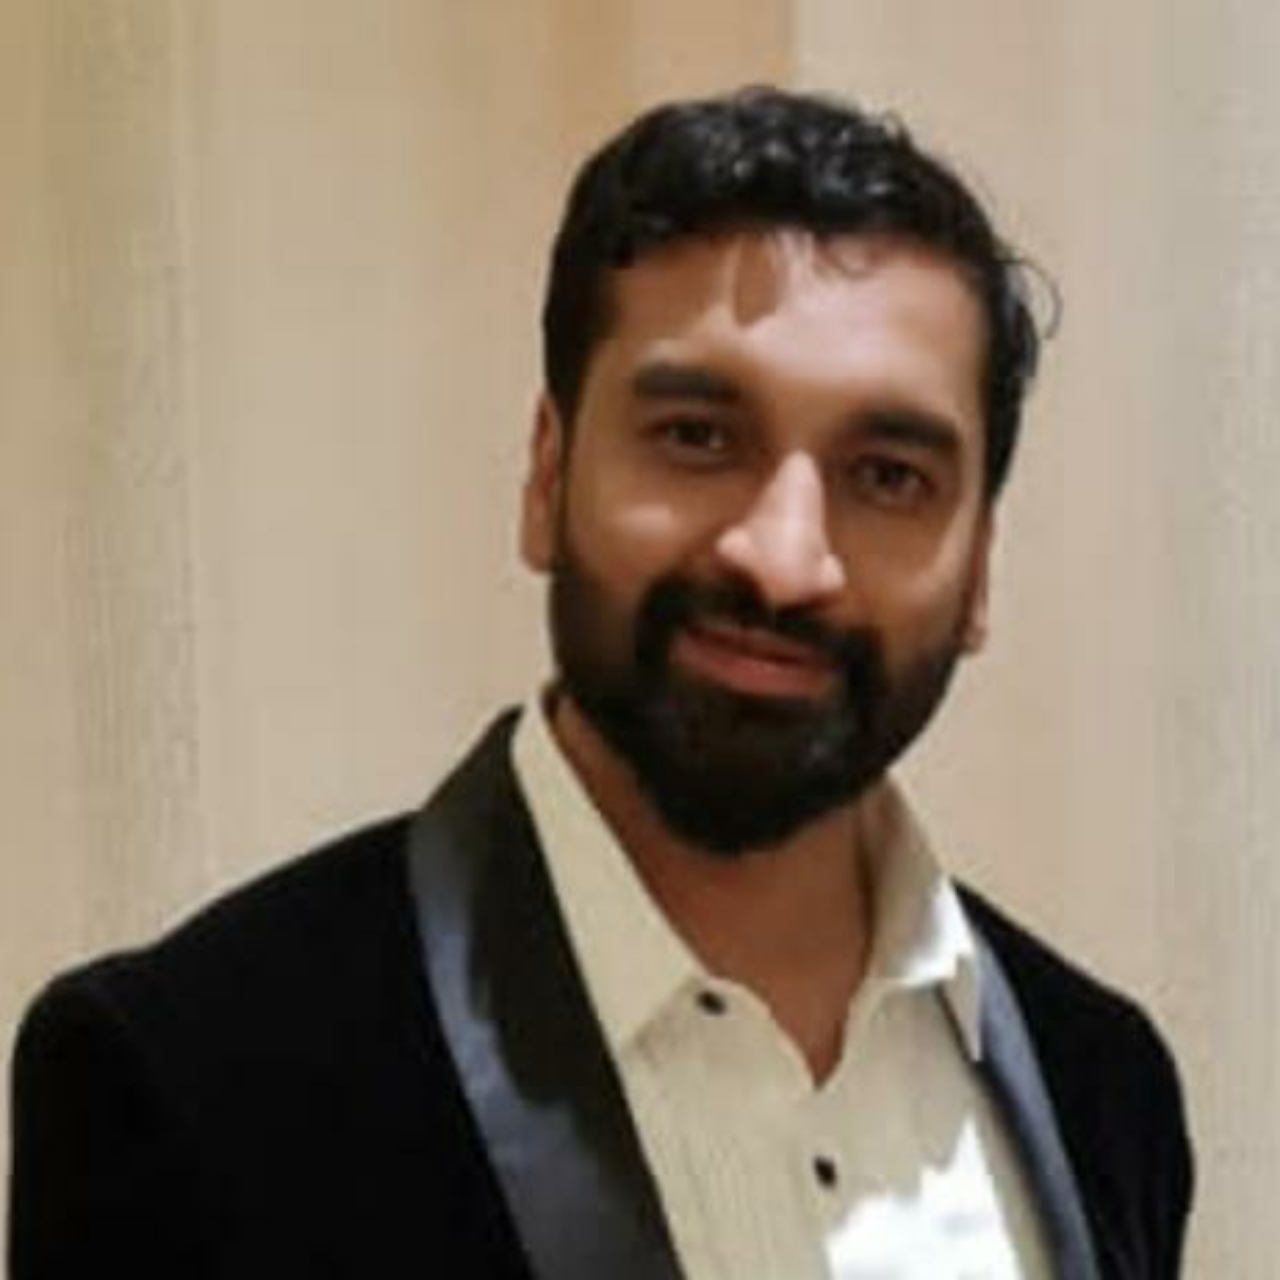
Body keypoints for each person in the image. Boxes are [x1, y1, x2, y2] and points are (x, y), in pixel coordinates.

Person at [9, 87, 1193, 1279]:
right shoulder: (190, 1078)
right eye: (696, 436)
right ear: (546, 476)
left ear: (977, 565)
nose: (782, 559)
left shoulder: (1103, 1085)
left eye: (886, 475)